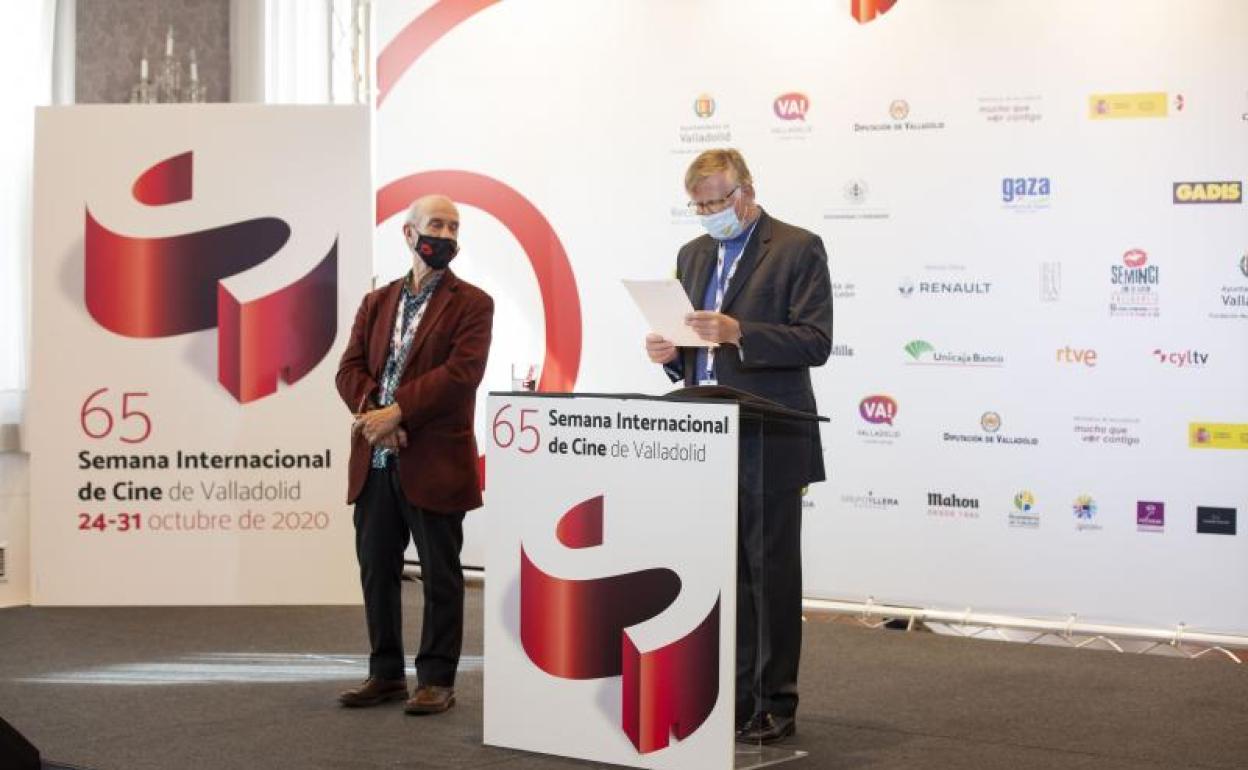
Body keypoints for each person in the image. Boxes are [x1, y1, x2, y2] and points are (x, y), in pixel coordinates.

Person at [645, 148, 832, 744]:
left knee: (769, 573)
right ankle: (731, 695)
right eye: (698, 205)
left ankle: (775, 702)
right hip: (705, 435)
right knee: (721, 573)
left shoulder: (798, 247)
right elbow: (692, 351)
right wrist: (672, 357)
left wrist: (740, 331)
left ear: (747, 192)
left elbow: (815, 340)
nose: (708, 215)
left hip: (769, 435)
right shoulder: (692, 253)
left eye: (717, 202)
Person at [335, 194, 493, 715]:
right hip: (377, 460)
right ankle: (384, 674)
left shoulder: (473, 303)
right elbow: (349, 368)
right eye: (435, 225)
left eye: (453, 226)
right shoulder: (376, 302)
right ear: (409, 234)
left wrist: (397, 413)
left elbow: (460, 375)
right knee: (377, 571)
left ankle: (437, 680)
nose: (445, 234)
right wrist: (377, 418)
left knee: (440, 576)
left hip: (435, 460)